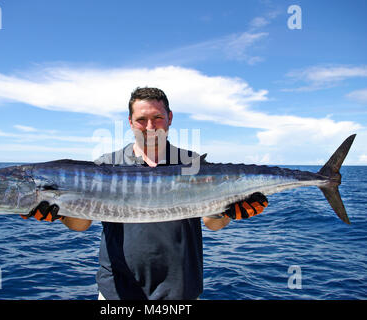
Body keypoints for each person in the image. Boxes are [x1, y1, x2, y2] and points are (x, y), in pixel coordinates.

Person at [22, 87, 268, 300]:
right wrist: (60, 215)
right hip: (117, 291)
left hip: (181, 291)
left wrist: (231, 212)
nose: (150, 127)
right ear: (130, 122)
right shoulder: (106, 165)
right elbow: (81, 224)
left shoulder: (192, 163)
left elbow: (213, 223)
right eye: (142, 120)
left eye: (158, 117)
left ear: (169, 118)